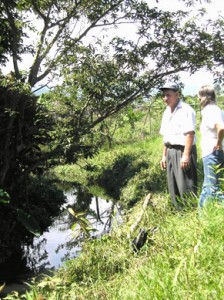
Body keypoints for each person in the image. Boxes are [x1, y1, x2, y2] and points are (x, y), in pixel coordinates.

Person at [159, 83, 197, 209]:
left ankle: (190, 212)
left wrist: (186, 156)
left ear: (177, 94)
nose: (165, 98)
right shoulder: (166, 112)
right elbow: (166, 136)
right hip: (170, 150)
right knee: (173, 185)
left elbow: (190, 134)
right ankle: (178, 211)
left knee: (186, 184)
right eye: (164, 96)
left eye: (168, 95)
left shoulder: (186, 110)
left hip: (182, 151)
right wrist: (164, 156)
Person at [198, 85, 224, 208]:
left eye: (199, 97)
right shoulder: (215, 109)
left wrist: (218, 143)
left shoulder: (210, 110)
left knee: (213, 188)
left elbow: (221, 127)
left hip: (211, 153)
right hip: (210, 153)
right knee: (206, 186)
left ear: (203, 97)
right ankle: (200, 216)